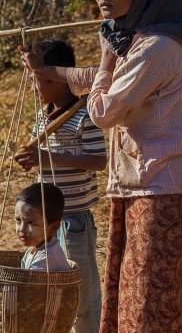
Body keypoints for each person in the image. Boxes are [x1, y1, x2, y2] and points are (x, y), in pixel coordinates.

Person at [20, 0, 182, 333]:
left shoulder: (156, 47)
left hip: (162, 189)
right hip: (147, 187)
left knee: (152, 302)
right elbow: (94, 80)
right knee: (143, 295)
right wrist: (47, 71)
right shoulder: (138, 40)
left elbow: (103, 110)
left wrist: (106, 56)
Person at [15, 39, 107, 333]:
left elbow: (97, 160)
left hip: (74, 219)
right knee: (51, 292)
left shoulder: (84, 115)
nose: (33, 89)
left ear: (57, 78)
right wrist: (32, 160)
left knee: (81, 295)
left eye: (38, 81)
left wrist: (48, 156)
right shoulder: (43, 115)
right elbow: (42, 158)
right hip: (46, 222)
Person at [15, 182, 71, 271]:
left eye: (30, 223)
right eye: (18, 220)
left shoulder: (45, 259)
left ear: (52, 227)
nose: (21, 229)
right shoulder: (34, 249)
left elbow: (28, 284)